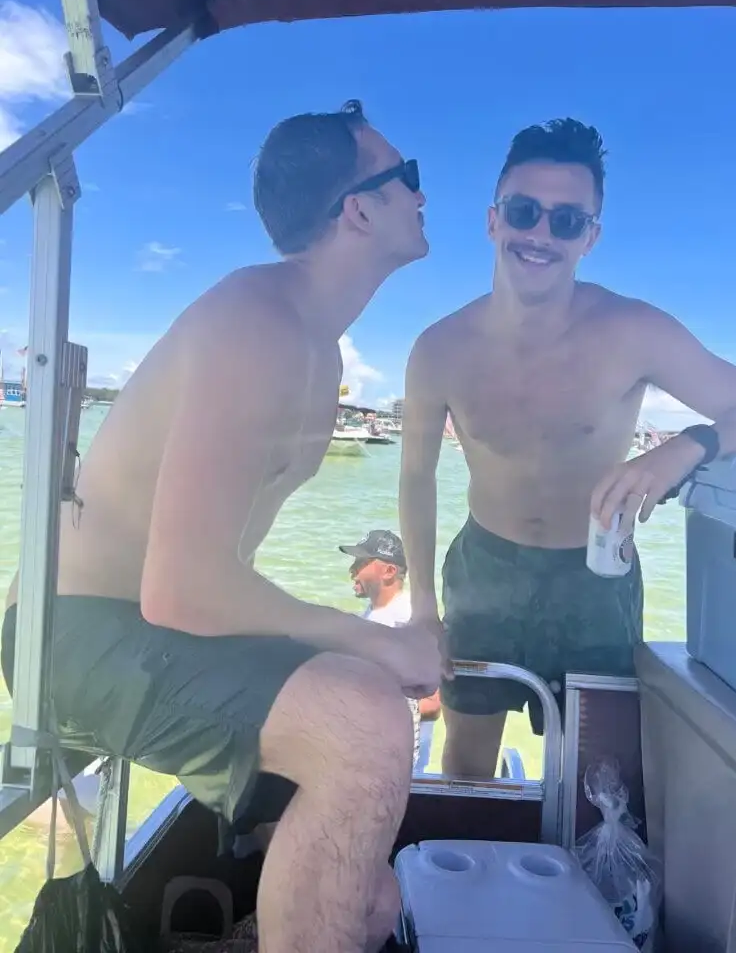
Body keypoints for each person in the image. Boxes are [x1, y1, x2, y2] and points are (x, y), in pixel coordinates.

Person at [1, 99, 441, 953]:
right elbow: (183, 588)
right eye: (408, 175)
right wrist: (367, 638)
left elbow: (203, 581)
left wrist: (369, 647)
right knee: (366, 721)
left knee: (374, 901)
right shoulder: (257, 323)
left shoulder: (317, 348)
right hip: (73, 632)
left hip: (150, 628)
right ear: (357, 209)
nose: (423, 195)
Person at [399, 117, 736, 779]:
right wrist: (423, 607)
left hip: (596, 578)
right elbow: (415, 480)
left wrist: (686, 447)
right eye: (524, 212)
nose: (541, 234)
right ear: (493, 220)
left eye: (567, 221)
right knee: (467, 763)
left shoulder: (633, 330)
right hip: (484, 570)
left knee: (602, 778)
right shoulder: (438, 348)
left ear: (590, 237)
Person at [340, 529, 442, 773]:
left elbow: (432, 704)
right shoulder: (369, 616)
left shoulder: (409, 618)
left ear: (389, 571)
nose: (352, 570)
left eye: (361, 562)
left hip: (399, 766)